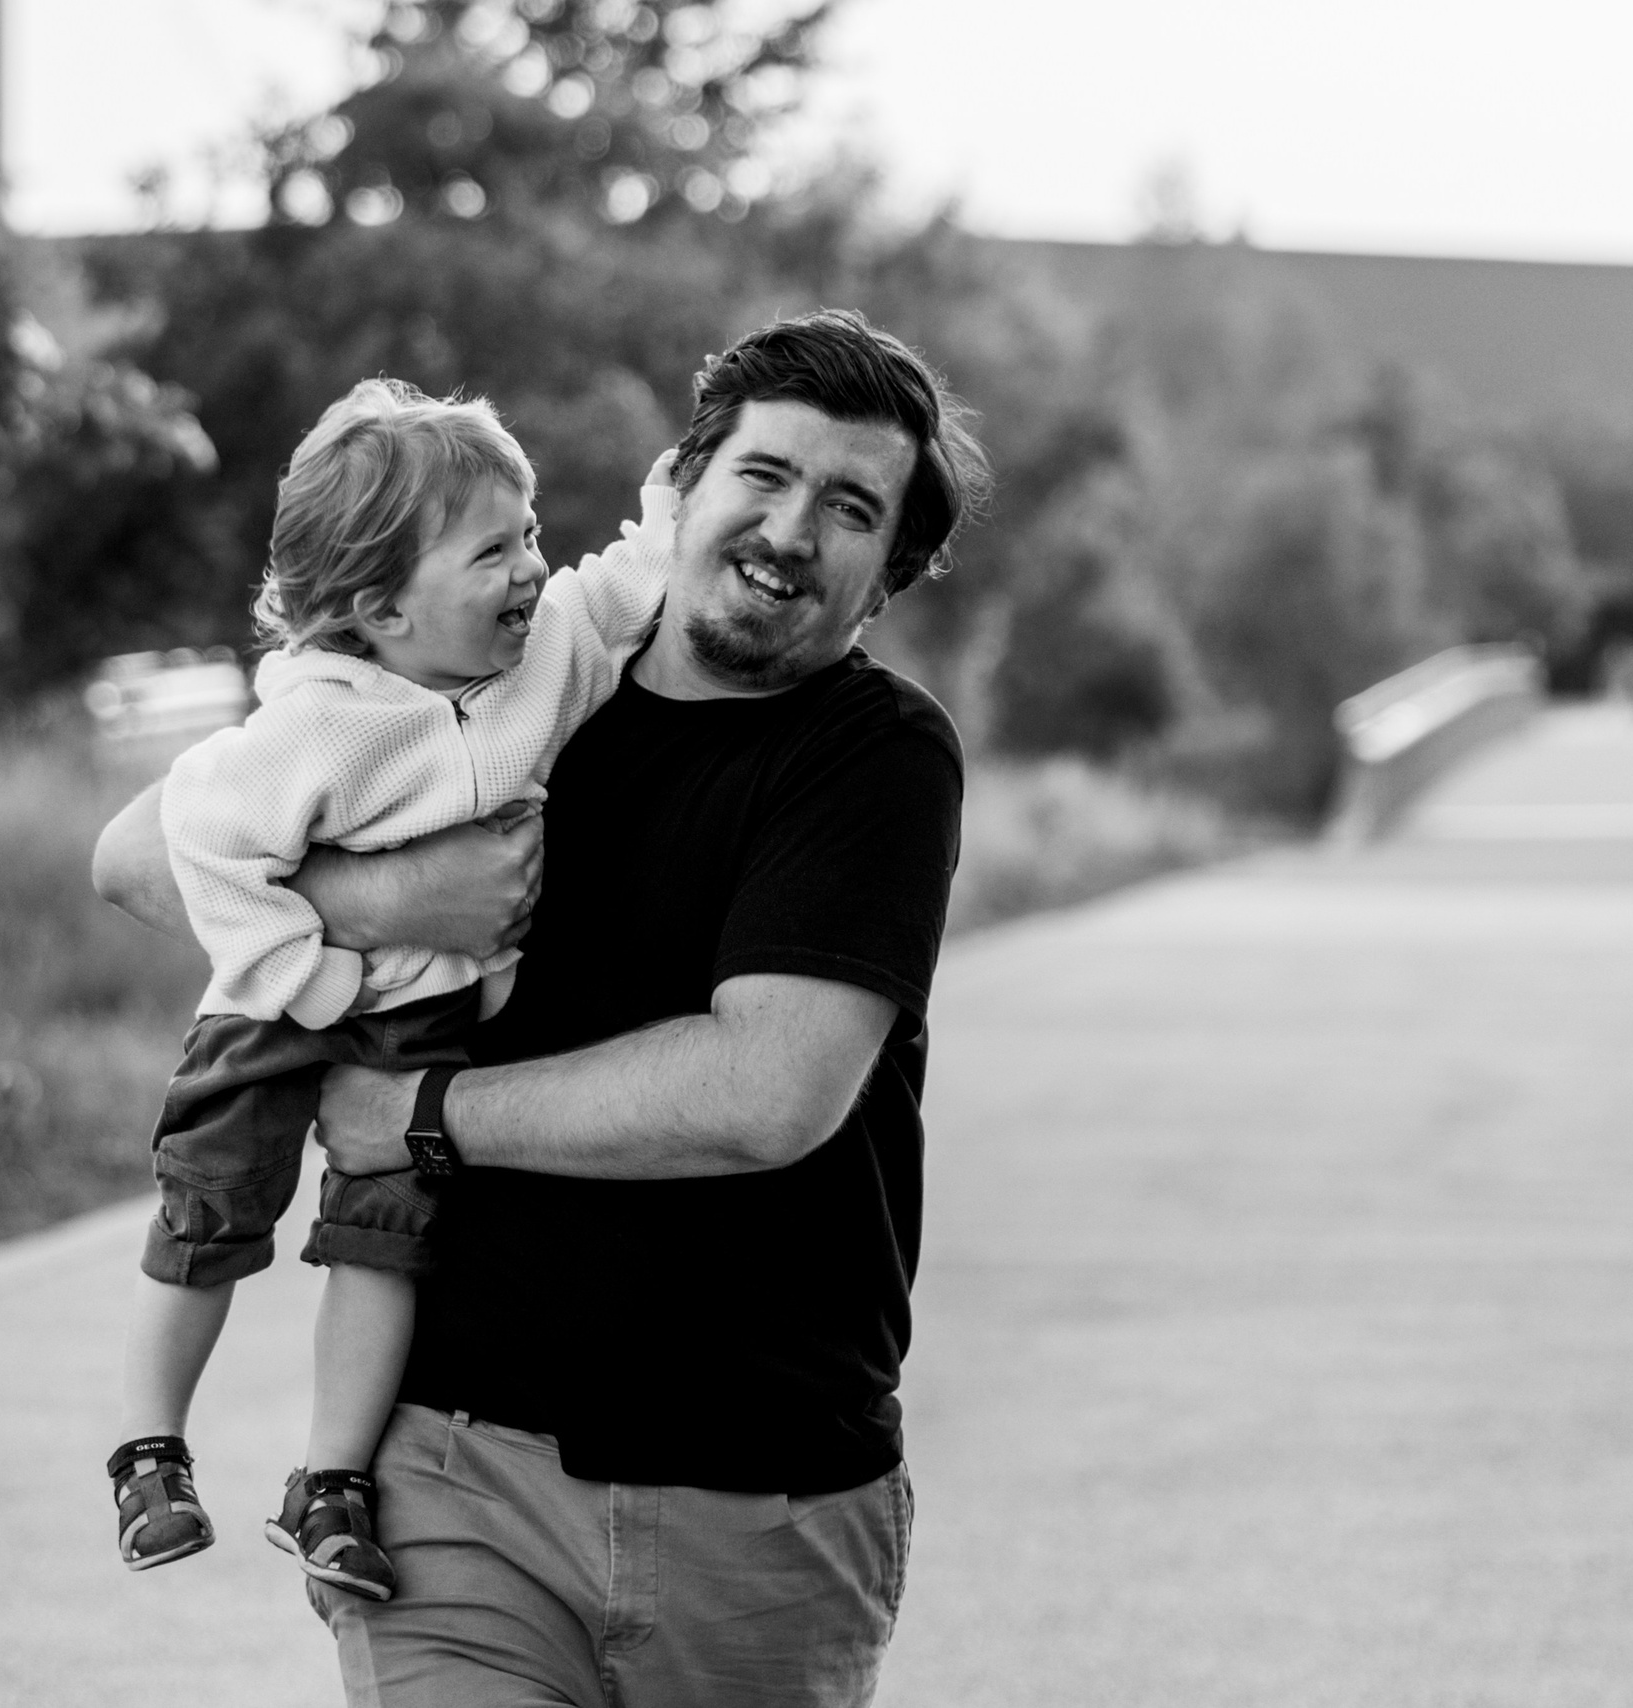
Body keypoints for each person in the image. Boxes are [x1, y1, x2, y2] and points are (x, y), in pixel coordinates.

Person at [95, 308, 990, 1708]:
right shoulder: (503, 680)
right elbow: (137, 855)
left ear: (886, 579)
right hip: (458, 1487)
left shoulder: (873, 760)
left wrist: (418, 1116)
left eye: (850, 509)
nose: (791, 530)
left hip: (763, 1511)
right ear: (681, 488)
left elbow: (767, 1093)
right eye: (763, 476)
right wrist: (391, 899)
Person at [107, 377, 678, 1602]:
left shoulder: (540, 665)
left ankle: (329, 1478)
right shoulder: (308, 727)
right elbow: (202, 848)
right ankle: (149, 1450)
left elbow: (621, 584)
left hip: (418, 1025)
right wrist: (316, 971)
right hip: (272, 1012)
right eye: (493, 550)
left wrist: (680, 501)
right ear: (379, 608)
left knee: (385, 1242)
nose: (532, 566)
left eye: (527, 533)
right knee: (212, 1218)